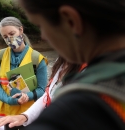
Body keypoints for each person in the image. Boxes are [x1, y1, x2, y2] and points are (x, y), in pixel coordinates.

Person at [11, 0, 125, 129]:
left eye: (40, 25)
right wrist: (26, 116)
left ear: (70, 20)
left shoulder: (74, 111)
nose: (43, 36)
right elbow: (48, 93)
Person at [0, 56, 86, 129]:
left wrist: (26, 96)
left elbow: (41, 90)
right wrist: (25, 116)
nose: (44, 37)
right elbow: (47, 97)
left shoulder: (87, 72)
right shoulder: (61, 61)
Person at [0, 17, 47, 118]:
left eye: (11, 34)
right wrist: (9, 100)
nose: (9, 39)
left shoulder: (37, 59)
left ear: (21, 30)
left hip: (26, 115)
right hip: (2, 115)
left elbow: (42, 89)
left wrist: (26, 96)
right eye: (5, 36)